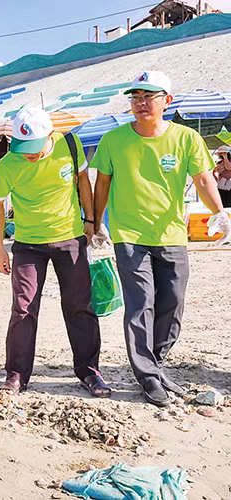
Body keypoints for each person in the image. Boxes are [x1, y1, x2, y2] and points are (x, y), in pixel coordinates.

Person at [93, 71, 231, 407]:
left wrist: (220, 213)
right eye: (135, 97)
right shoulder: (113, 140)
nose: (140, 103)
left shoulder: (186, 139)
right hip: (129, 235)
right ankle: (148, 377)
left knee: (172, 301)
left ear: (166, 101)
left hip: (171, 234)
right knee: (140, 305)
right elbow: (102, 185)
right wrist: (95, 224)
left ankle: (156, 361)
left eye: (148, 96)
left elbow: (202, 179)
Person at [0, 107, 109, 398]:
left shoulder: (70, 145)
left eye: (33, 147)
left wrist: (91, 222)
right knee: (23, 309)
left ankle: (89, 371)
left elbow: (83, 183)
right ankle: (16, 375)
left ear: (49, 135)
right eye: (22, 147)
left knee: (80, 307)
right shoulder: (7, 164)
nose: (28, 154)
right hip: (28, 245)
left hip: (70, 239)